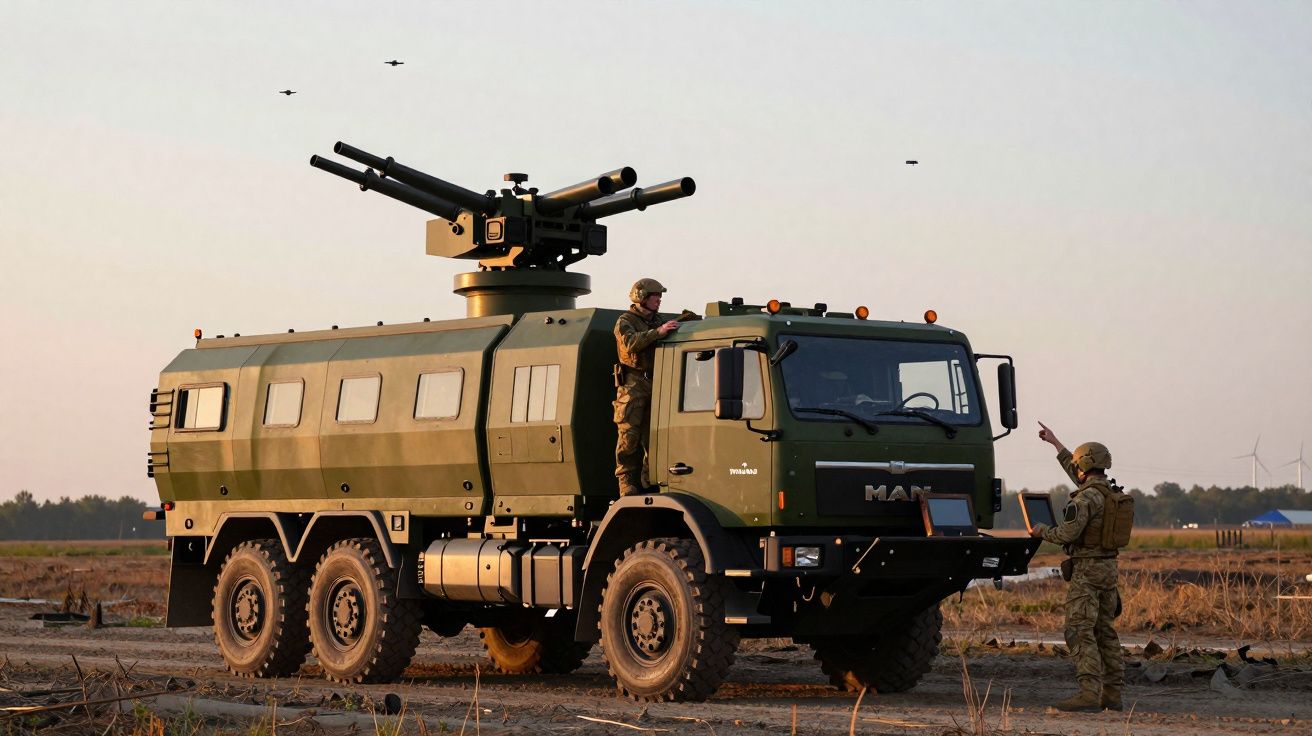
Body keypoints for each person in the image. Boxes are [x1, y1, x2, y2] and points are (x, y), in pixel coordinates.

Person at [1031, 420, 1124, 712]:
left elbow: (1068, 534)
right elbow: (1080, 474)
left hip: (1087, 572)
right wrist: (1057, 444)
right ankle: (1112, 694)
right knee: (1105, 631)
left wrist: (1042, 531)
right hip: (1109, 570)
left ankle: (1088, 692)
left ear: (1083, 467)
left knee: (1078, 630)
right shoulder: (1110, 494)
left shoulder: (1084, 499)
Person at [613, 278, 680, 496]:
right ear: (642, 297)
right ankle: (626, 482)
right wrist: (658, 333)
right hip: (633, 383)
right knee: (629, 435)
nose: (659, 300)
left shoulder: (657, 320)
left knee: (655, 434)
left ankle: (648, 479)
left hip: (657, 380)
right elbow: (630, 344)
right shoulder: (625, 321)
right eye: (654, 296)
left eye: (660, 296)